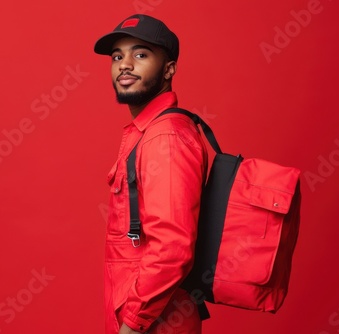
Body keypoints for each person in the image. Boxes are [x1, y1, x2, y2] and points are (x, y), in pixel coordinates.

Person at [94, 14, 208, 334]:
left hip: (155, 324)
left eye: (140, 54)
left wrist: (131, 325)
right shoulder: (146, 132)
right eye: (118, 56)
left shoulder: (165, 137)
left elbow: (172, 247)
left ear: (169, 69)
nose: (124, 64)